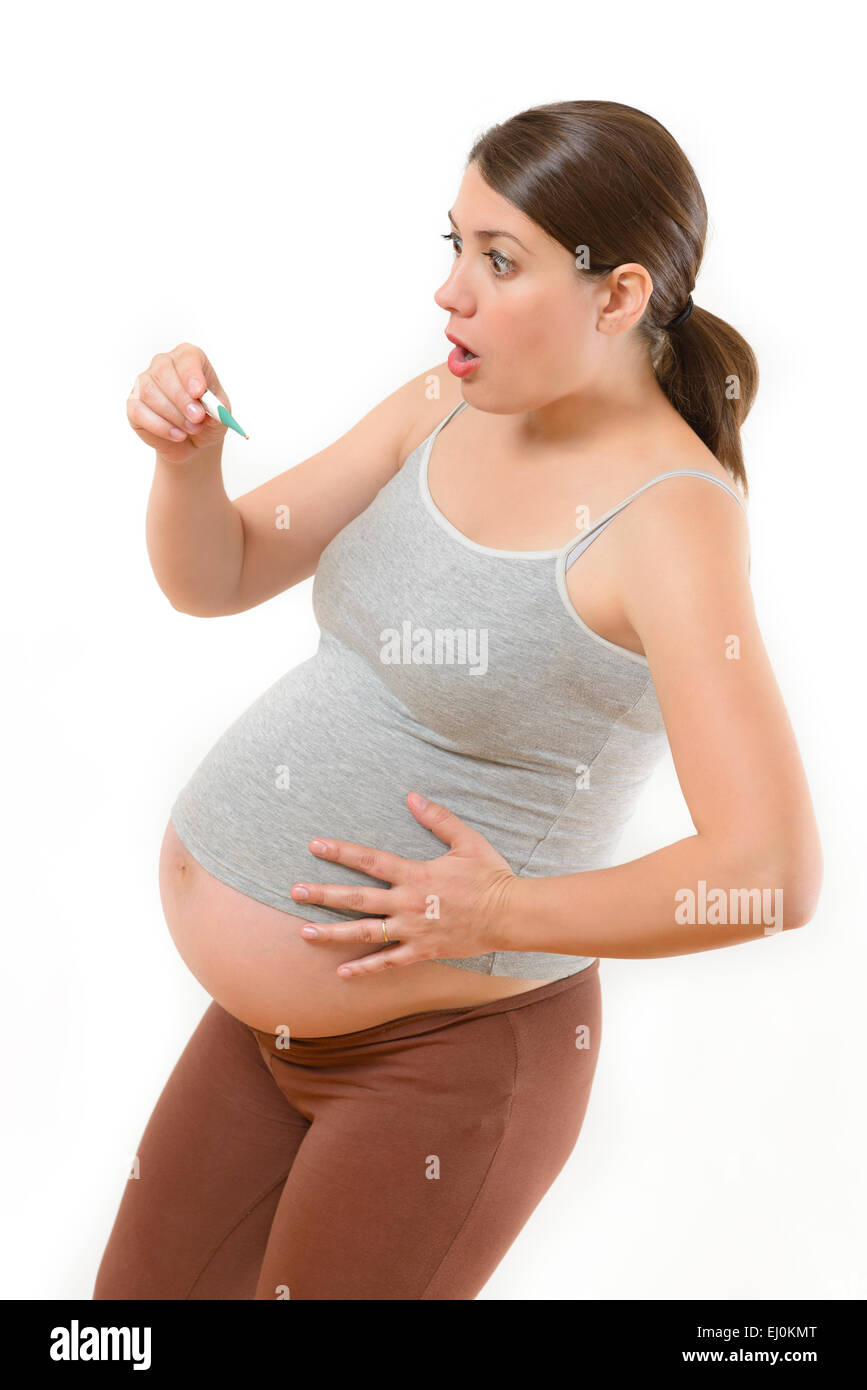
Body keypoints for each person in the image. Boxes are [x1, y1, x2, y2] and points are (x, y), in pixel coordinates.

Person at [93, 99, 822, 1301]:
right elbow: (217, 573)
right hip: (260, 1031)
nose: (452, 294)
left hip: (446, 1065)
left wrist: (502, 911)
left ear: (619, 296)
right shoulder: (444, 403)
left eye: (500, 260)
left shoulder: (671, 523)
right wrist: (188, 464)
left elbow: (771, 869)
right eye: (455, 245)